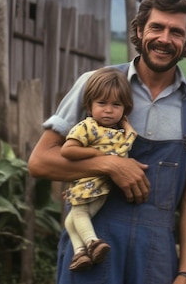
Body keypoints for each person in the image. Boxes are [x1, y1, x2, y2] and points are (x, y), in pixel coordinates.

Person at [28, 0, 186, 284]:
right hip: (92, 242)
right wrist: (109, 164)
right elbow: (39, 163)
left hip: (156, 254)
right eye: (156, 27)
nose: (165, 39)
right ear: (140, 30)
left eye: (176, 32)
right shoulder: (95, 85)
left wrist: (185, 272)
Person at [60, 67, 137, 272]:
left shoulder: (118, 134)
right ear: (89, 106)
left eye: (116, 105)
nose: (109, 110)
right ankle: (92, 243)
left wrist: (128, 129)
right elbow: (68, 150)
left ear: (125, 109)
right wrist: (95, 154)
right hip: (87, 184)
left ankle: (80, 253)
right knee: (77, 215)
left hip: (103, 189)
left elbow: (123, 151)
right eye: (102, 103)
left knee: (74, 218)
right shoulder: (87, 127)